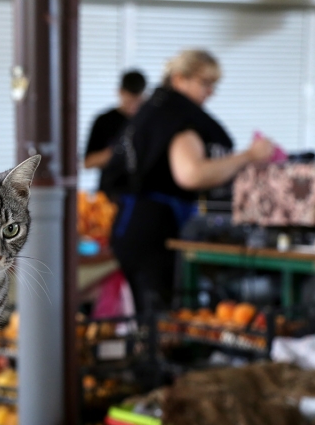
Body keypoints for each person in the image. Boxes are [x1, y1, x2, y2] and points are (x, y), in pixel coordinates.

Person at [105, 50, 274, 313]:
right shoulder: (177, 119)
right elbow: (191, 174)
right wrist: (249, 155)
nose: (210, 92)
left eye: (213, 85)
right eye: (205, 83)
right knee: (159, 317)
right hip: (151, 229)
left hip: (133, 226)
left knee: (149, 314)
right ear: (180, 79)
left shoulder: (156, 110)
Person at [84, 70, 147, 170]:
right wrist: (115, 152)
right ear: (120, 92)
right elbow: (87, 162)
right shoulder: (104, 121)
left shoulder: (148, 120)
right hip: (111, 183)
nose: (134, 106)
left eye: (138, 101)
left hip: (141, 183)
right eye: (130, 100)